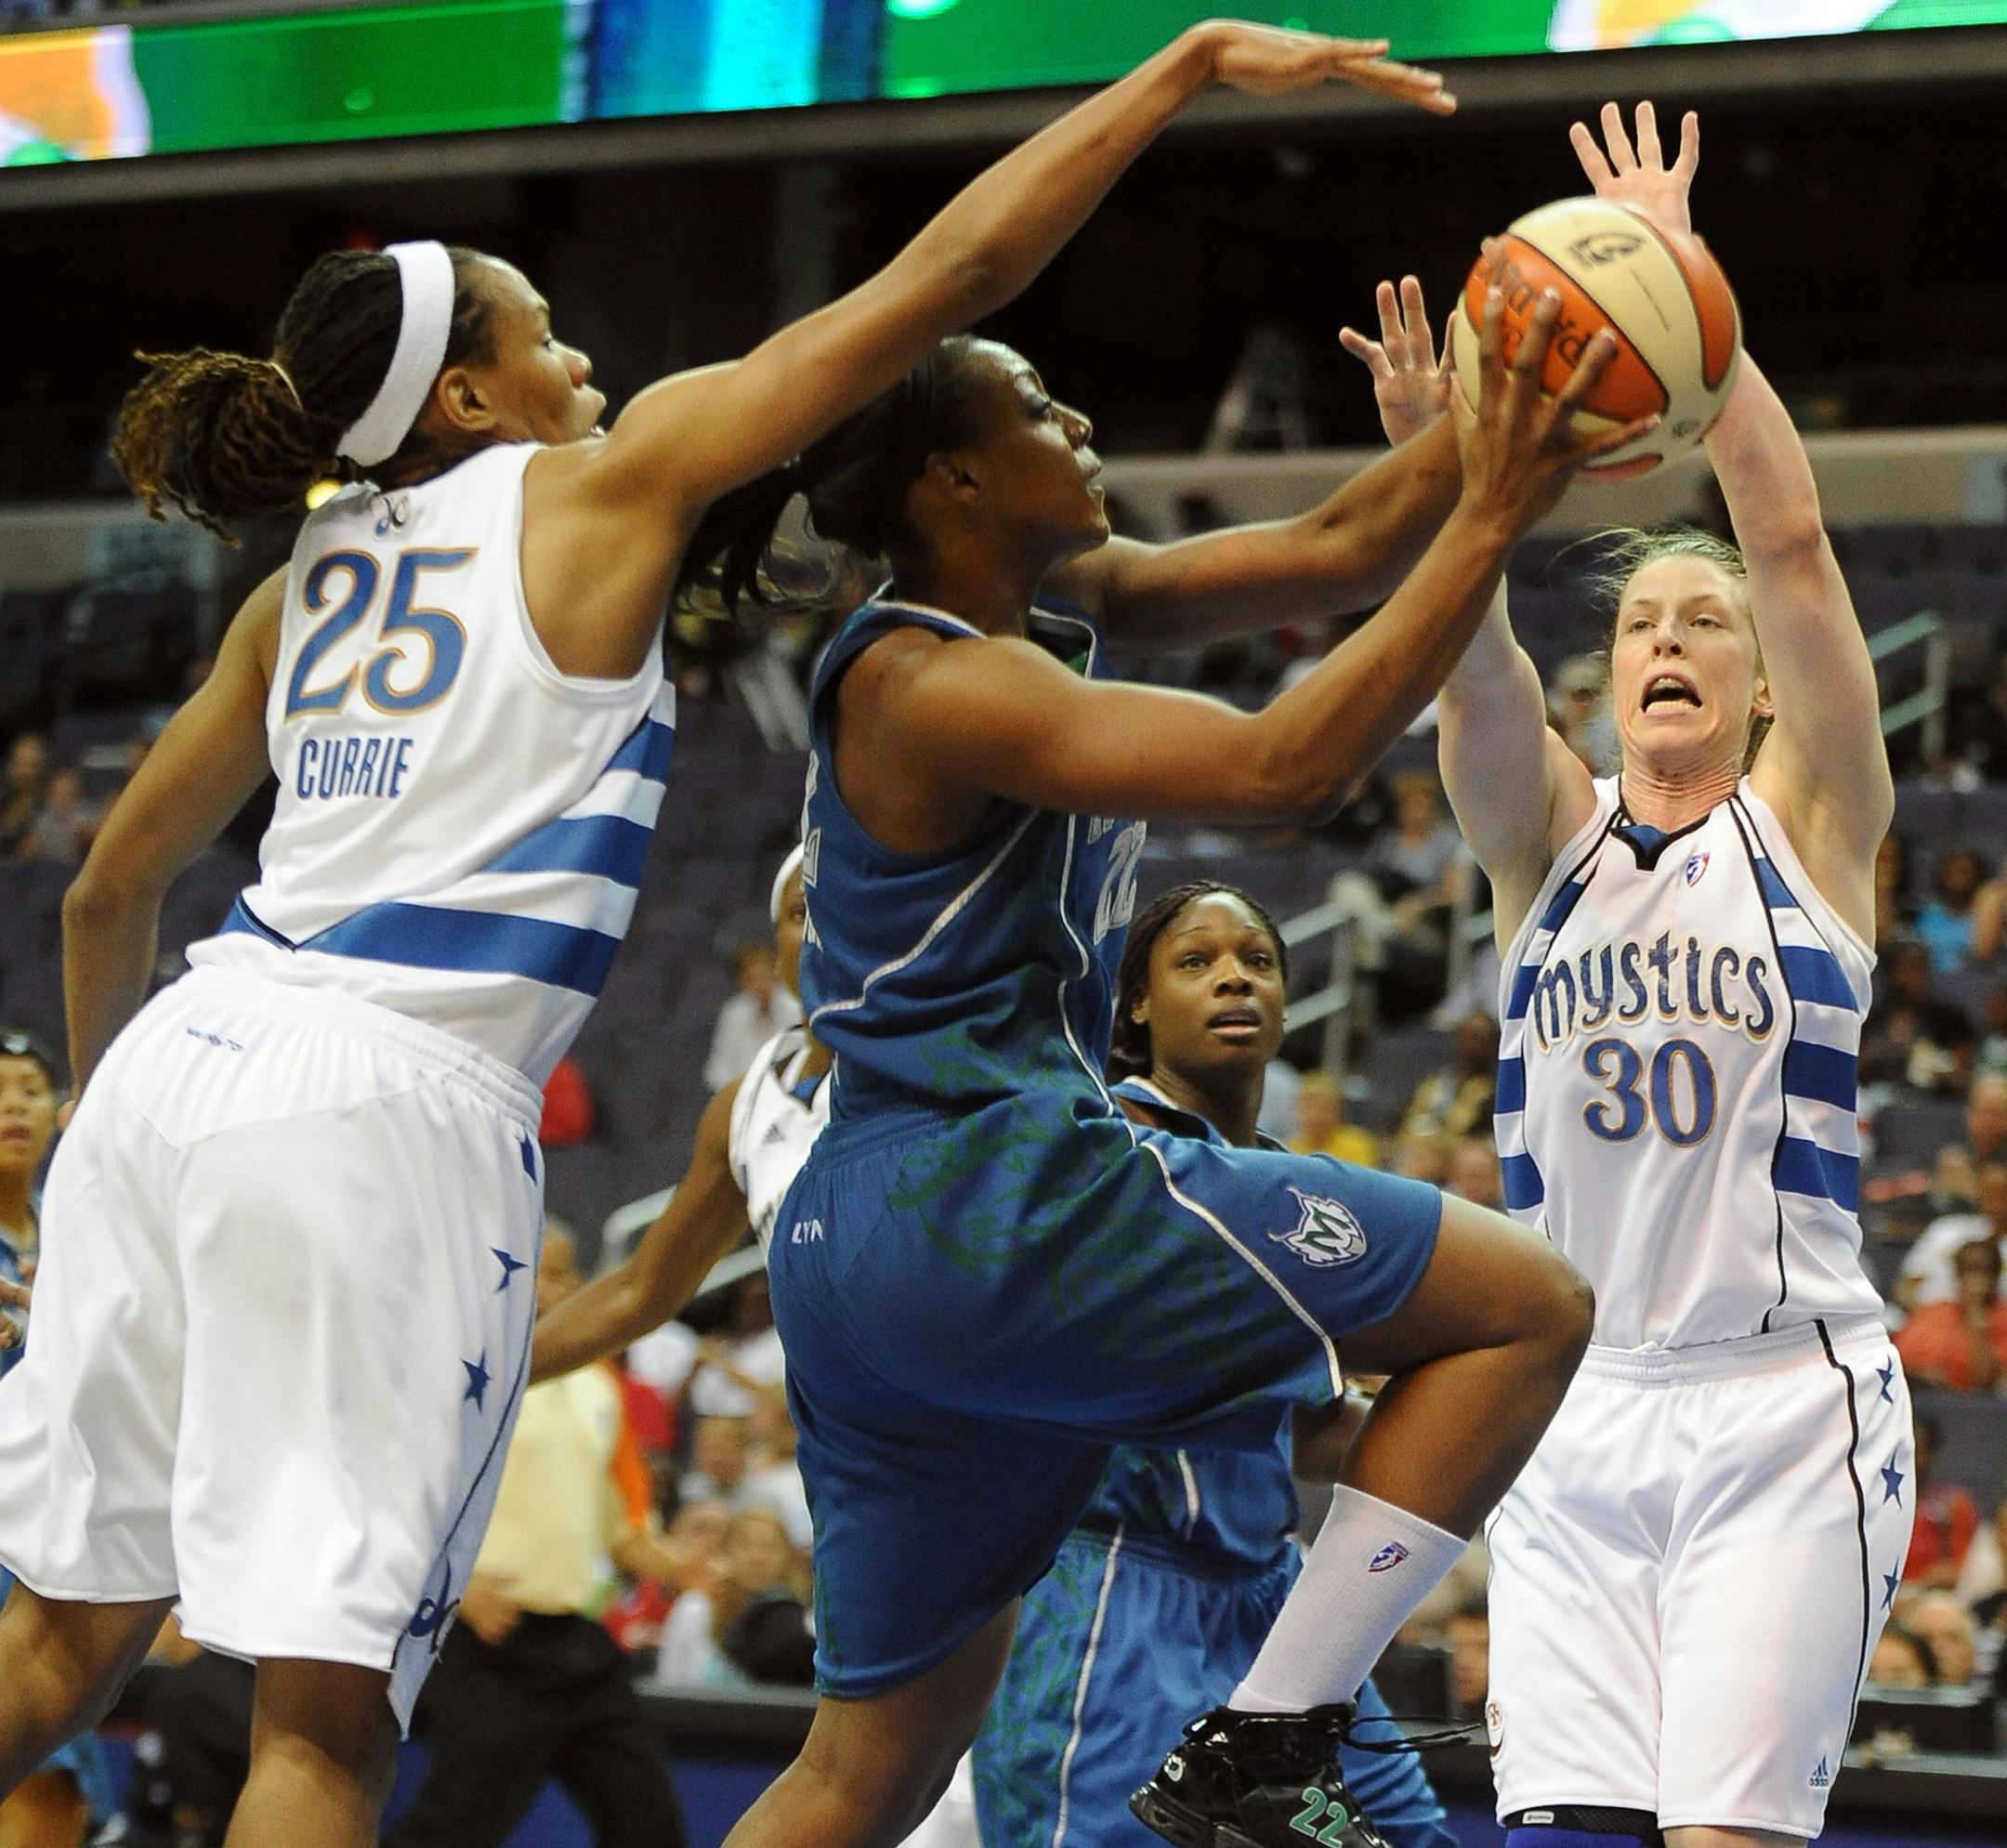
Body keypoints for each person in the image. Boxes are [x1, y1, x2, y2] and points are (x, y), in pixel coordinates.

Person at [0, 25, 1438, 1845]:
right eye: (543, 332)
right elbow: (955, 279)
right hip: (380, 1094)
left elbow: (105, 884)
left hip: (182, 1057)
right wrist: (1177, 74)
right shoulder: (605, 485)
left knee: (59, 1642)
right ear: (465, 400)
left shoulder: (303, 582)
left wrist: (88, 1173)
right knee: (323, 1725)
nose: (587, 358)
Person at [682, 250, 1645, 1842]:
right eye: (1043, 408)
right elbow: (1282, 765)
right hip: (992, 1192)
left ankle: (1266, 1719)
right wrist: (1494, 511)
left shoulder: (1053, 605)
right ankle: (1275, 1727)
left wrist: (1497, 411)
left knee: (864, 1769)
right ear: (957, 477)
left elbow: (1338, 539)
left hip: (856, 1243)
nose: (1082, 424)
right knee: (1528, 1304)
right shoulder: (932, 677)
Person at [1349, 105, 1914, 1846]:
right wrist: (1462, 473)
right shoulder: (1546, 848)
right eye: (1641, 625)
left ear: (1757, 691)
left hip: (1779, 1396)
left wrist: (1691, 298)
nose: (1667, 638)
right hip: (1574, 1415)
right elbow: (1469, 668)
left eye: (1703, 625)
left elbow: (1797, 547)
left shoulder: (1817, 823)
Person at [968, 879, 1456, 1848]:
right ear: (1137, 1004)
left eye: (1258, 961)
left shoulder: (1281, 1186)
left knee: (1415, 1841)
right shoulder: (1105, 1150)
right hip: (1116, 1598)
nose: (1234, 979)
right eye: (1197, 961)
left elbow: (1309, 1429)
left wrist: (1486, 1439)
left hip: (1277, 1598)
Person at [387, 1225, 697, 1848]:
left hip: (582, 1644)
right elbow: (398, 1498)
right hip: (490, 1639)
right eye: (534, 1270)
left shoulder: (600, 1385)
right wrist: (459, 1590)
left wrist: (692, 1570)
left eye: (561, 1273)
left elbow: (620, 1528)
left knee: (650, 1829)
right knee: (452, 1832)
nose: (552, 1287)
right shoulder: (460, 1373)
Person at [531, 845, 832, 1383]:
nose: (817, 927)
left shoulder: (947, 1067)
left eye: (838, 901)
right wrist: (481, 1388)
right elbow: (638, 1291)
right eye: (798, 912)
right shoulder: (745, 1105)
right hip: (841, 1445)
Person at [0, 1031, 117, 1848]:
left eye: (31, 1089)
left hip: (58, 1534)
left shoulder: (93, 1237)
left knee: (53, 1790)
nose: (14, 1105)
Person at [703, 939, 803, 1093]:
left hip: (788, 1096)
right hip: (742, 1096)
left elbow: (803, 1062)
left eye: (764, 976)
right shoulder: (733, 1014)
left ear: (775, 974)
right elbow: (718, 1071)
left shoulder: (795, 1010)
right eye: (753, 979)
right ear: (742, 981)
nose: (761, 985)